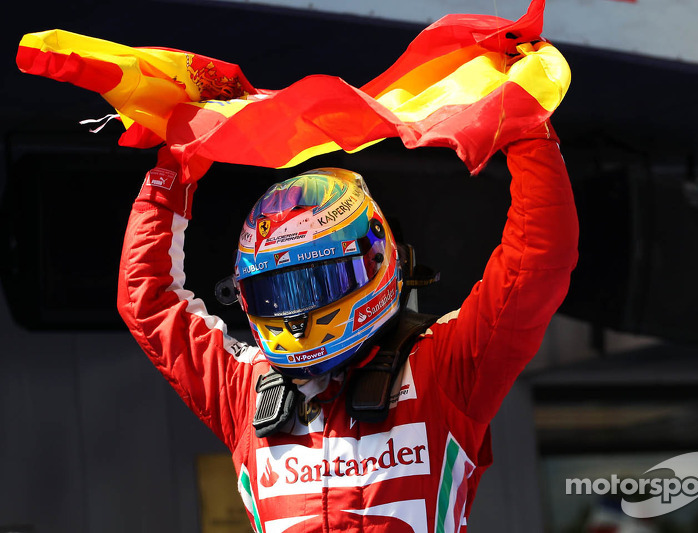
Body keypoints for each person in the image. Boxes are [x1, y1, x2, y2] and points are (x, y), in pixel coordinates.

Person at [117, 114, 578, 532]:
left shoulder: (443, 368)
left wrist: (526, 129)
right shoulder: (248, 390)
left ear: (374, 261)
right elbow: (147, 301)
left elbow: (535, 265)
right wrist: (171, 169)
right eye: (276, 292)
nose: (295, 315)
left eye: (315, 282)